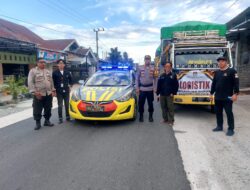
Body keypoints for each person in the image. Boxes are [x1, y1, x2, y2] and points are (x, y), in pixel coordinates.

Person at [210, 56, 239, 136]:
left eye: (222, 61)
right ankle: (219, 126)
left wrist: (235, 94)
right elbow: (214, 84)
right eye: (219, 62)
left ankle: (231, 129)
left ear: (226, 62)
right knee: (218, 112)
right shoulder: (217, 72)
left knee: (229, 113)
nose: (220, 63)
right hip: (218, 97)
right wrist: (211, 93)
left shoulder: (232, 71)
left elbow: (236, 83)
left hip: (227, 97)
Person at [28, 58, 56, 130]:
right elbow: (30, 82)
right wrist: (34, 92)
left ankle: (47, 121)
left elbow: (51, 81)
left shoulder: (47, 71)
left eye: (44, 62)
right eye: (41, 62)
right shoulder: (33, 71)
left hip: (48, 93)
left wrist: (53, 90)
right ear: (37, 63)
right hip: (39, 94)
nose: (43, 64)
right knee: (37, 109)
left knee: (48, 108)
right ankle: (38, 123)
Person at [156, 62, 179, 126]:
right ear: (164, 68)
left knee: (170, 108)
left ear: (171, 68)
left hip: (169, 95)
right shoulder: (162, 75)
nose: (167, 68)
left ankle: (171, 121)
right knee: (163, 107)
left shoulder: (173, 76)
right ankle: (165, 119)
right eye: (166, 66)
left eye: (169, 66)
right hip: (162, 94)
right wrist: (158, 93)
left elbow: (176, 85)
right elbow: (159, 85)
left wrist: (173, 93)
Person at [136, 55, 157, 122]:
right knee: (141, 104)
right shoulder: (140, 68)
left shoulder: (153, 68)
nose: (147, 60)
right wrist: (137, 88)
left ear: (150, 60)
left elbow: (156, 79)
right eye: (146, 59)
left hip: (150, 89)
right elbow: (137, 79)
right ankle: (141, 116)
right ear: (144, 60)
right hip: (142, 89)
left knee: (150, 104)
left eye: (148, 59)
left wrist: (155, 87)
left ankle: (150, 116)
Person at [52, 59, 73, 124]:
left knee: (67, 105)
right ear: (57, 65)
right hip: (59, 91)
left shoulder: (67, 72)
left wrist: (70, 86)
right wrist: (54, 91)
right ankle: (60, 118)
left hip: (66, 91)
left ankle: (68, 117)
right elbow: (53, 82)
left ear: (64, 65)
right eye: (60, 63)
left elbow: (71, 80)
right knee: (60, 105)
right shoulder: (55, 73)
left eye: (62, 63)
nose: (61, 65)